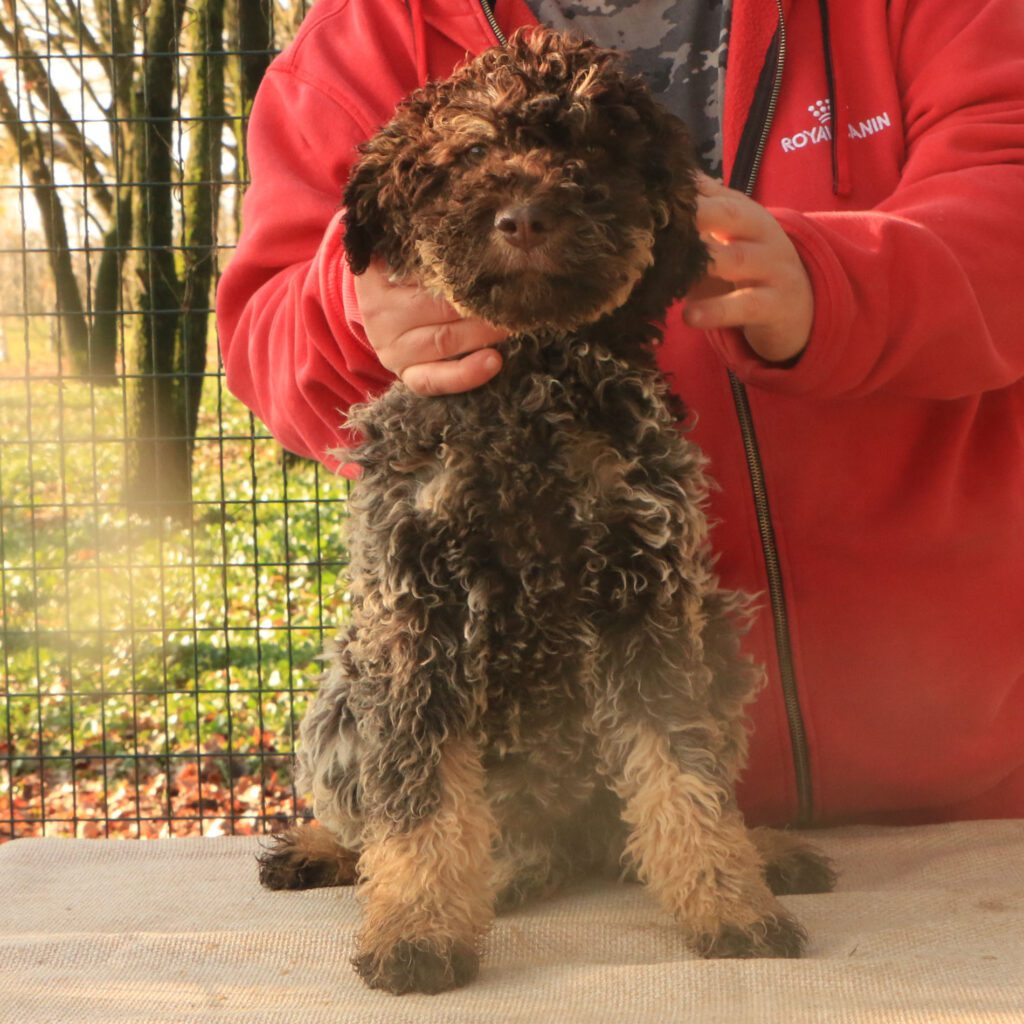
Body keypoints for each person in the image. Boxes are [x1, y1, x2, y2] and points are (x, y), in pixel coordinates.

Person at [215, 0, 1024, 828]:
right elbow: (261, 337)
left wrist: (840, 285)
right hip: (563, 821)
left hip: (961, 790)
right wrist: (354, 308)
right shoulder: (362, 41)